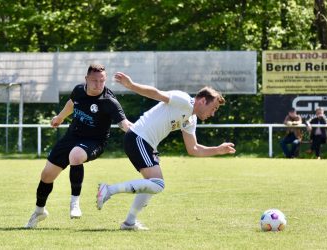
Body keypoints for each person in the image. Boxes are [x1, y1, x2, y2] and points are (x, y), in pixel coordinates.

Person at [96, 72, 236, 230]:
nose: (213, 113)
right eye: (214, 108)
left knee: (152, 184)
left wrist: (217, 150)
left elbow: (194, 149)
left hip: (145, 142)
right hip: (138, 138)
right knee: (157, 184)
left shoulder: (191, 119)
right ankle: (109, 189)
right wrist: (131, 85)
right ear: (203, 100)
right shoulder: (183, 100)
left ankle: (129, 222)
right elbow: (156, 93)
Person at [25, 64, 132, 229]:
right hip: (72, 136)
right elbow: (71, 103)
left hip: (94, 141)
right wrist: (60, 117)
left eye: (102, 80)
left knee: (75, 156)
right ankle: (39, 211)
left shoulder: (109, 101)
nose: (98, 84)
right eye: (95, 80)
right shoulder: (79, 90)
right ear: (86, 79)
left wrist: (140, 133)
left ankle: (74, 203)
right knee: (46, 176)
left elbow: (124, 124)